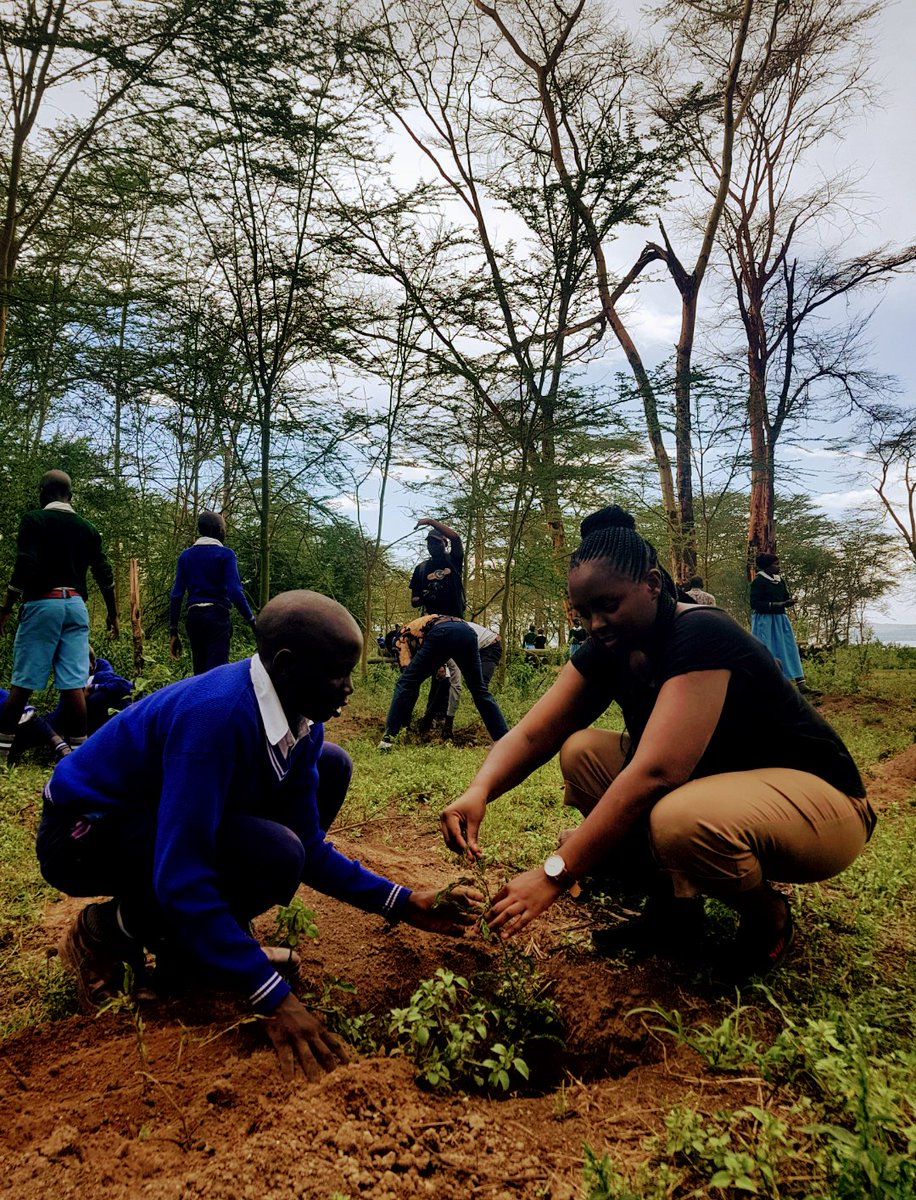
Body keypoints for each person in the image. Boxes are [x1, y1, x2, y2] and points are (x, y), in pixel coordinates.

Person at [39, 590, 477, 1081]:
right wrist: (270, 995)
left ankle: (193, 946)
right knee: (272, 853)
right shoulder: (217, 718)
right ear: (287, 666)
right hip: (83, 833)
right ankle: (108, 928)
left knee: (329, 772)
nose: (349, 688)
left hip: (152, 816)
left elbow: (310, 846)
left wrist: (401, 901)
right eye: (338, 673)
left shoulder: (301, 721)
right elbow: (180, 875)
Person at [440, 505, 875, 980]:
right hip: (727, 786)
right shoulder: (609, 648)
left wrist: (554, 875)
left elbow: (656, 773)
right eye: (584, 613)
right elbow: (531, 734)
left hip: (826, 807)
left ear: (650, 584)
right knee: (582, 753)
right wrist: (479, 790)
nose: (597, 623)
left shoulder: (700, 631)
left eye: (609, 605)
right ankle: (673, 909)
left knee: (679, 816)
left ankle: (767, 915)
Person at [0, 470, 119, 763]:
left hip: (43, 603)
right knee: (73, 683)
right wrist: (113, 614)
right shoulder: (88, 528)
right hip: (76, 606)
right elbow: (104, 574)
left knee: (23, 681)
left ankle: (1, 755)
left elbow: (25, 565)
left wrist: (5, 608)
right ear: (71, 495)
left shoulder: (34, 520)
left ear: (43, 492)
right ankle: (80, 759)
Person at [378, 615, 508, 750]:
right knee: (479, 690)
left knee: (404, 683)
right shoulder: (422, 627)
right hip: (467, 632)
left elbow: (407, 675)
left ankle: (387, 741)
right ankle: (503, 740)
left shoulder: (400, 637)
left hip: (442, 633)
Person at [169, 511, 256, 675]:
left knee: (200, 674)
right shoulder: (226, 554)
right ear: (218, 530)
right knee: (217, 675)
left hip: (194, 618)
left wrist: (173, 630)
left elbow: (176, 595)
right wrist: (252, 620)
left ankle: (199, 700)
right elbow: (235, 592)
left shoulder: (185, 556)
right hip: (217, 617)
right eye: (223, 528)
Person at [418, 621, 503, 740]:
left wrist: (449, 722)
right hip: (471, 643)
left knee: (479, 689)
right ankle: (432, 718)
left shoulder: (448, 650)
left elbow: (456, 685)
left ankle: (501, 736)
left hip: (490, 646)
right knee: (443, 682)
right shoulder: (435, 640)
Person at [749, 552, 813, 692]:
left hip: (780, 619)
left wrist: (788, 602)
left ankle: (800, 682)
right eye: (775, 564)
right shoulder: (758, 582)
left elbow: (784, 598)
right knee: (767, 651)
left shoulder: (780, 581)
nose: (778, 567)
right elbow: (755, 604)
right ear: (766, 567)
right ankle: (767, 685)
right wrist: (777, 605)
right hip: (764, 621)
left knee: (789, 648)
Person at [409, 517, 465, 617]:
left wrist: (430, 522)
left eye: (437, 542)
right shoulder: (421, 569)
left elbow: (455, 538)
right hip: (431, 621)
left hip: (455, 619)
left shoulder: (454, 560)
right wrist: (424, 597)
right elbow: (414, 601)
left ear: (445, 543)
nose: (433, 546)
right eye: (430, 543)